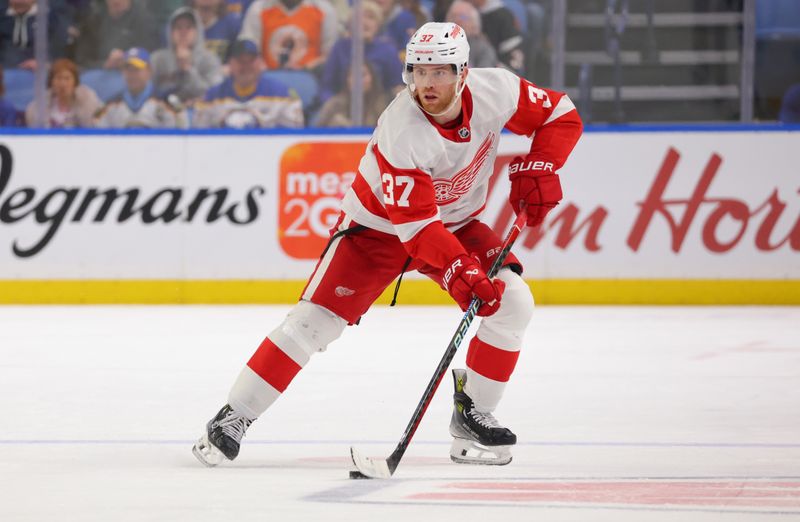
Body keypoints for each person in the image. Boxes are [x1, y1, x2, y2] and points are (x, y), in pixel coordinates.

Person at [192, 22, 582, 467]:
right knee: (312, 324)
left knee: (514, 304)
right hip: (376, 230)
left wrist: (542, 164)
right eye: (418, 71)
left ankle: (474, 413)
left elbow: (561, 114)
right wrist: (461, 272)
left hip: (456, 222)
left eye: (439, 72)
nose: (427, 84)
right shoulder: (404, 128)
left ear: (463, 72)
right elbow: (416, 231)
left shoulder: (498, 91)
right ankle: (233, 416)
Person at [193, 39, 303, 128]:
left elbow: (295, 136)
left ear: (260, 63)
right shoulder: (211, 98)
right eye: (241, 61)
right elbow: (198, 138)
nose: (246, 66)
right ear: (230, 64)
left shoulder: (282, 95)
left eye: (251, 61)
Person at [319, 0, 403, 103]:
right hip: (343, 106)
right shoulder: (340, 48)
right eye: (359, 17)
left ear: (378, 24)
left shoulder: (388, 50)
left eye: (370, 17)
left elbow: (397, 87)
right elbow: (327, 87)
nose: (364, 22)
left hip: (379, 108)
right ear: (351, 24)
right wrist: (334, 104)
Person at [95, 48, 187, 128]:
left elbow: (181, 134)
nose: (132, 74)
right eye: (127, 69)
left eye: (136, 69)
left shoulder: (167, 104)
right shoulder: (110, 105)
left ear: (149, 71)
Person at [150, 6, 224, 104]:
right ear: (170, 32)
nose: (183, 32)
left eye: (188, 27)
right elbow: (147, 90)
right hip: (163, 110)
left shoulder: (210, 59)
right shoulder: (157, 59)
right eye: (178, 27)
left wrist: (188, 68)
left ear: (197, 31)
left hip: (199, 111)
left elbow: (214, 93)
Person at [238, 0, 338, 71]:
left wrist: (306, 69)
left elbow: (331, 55)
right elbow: (247, 50)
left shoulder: (324, 10)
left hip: (311, 78)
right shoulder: (258, 8)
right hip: (265, 77)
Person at [73, 0, 160, 70]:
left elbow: (150, 55)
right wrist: (104, 64)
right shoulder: (95, 19)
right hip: (100, 73)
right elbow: (82, 60)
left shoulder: (144, 19)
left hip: (131, 72)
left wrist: (126, 59)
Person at [25, 58, 102, 128]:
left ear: (75, 82)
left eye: (67, 78)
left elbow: (92, 126)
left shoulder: (87, 99)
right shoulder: (41, 102)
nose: (63, 84)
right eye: (58, 78)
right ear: (51, 82)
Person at [315, 61, 389, 127]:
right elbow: (318, 133)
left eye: (363, 75)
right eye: (354, 75)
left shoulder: (384, 106)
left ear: (372, 78)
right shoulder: (334, 105)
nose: (359, 80)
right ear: (347, 80)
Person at [0, 0, 69, 70]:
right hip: (4, 69)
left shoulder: (49, 18)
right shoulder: (2, 17)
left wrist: (45, 63)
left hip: (41, 72)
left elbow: (59, 46)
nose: (19, 1)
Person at [446, 0, 498, 68]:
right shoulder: (438, 45)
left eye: (463, 17)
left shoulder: (482, 49)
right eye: (453, 16)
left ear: (474, 24)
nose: (457, 21)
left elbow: (484, 75)